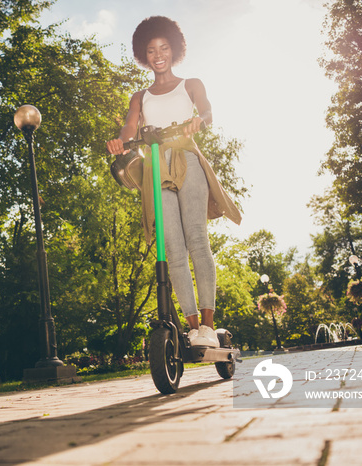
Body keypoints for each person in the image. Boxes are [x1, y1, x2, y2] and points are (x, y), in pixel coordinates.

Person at [107, 16, 240, 348]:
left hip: (186, 158)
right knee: (173, 248)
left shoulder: (191, 84)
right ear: (144, 55)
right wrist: (120, 142)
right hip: (155, 166)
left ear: (174, 49)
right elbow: (129, 127)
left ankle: (209, 326)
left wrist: (198, 120)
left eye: (164, 47)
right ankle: (193, 328)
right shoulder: (139, 96)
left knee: (197, 239)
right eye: (151, 50)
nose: (158, 54)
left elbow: (208, 112)